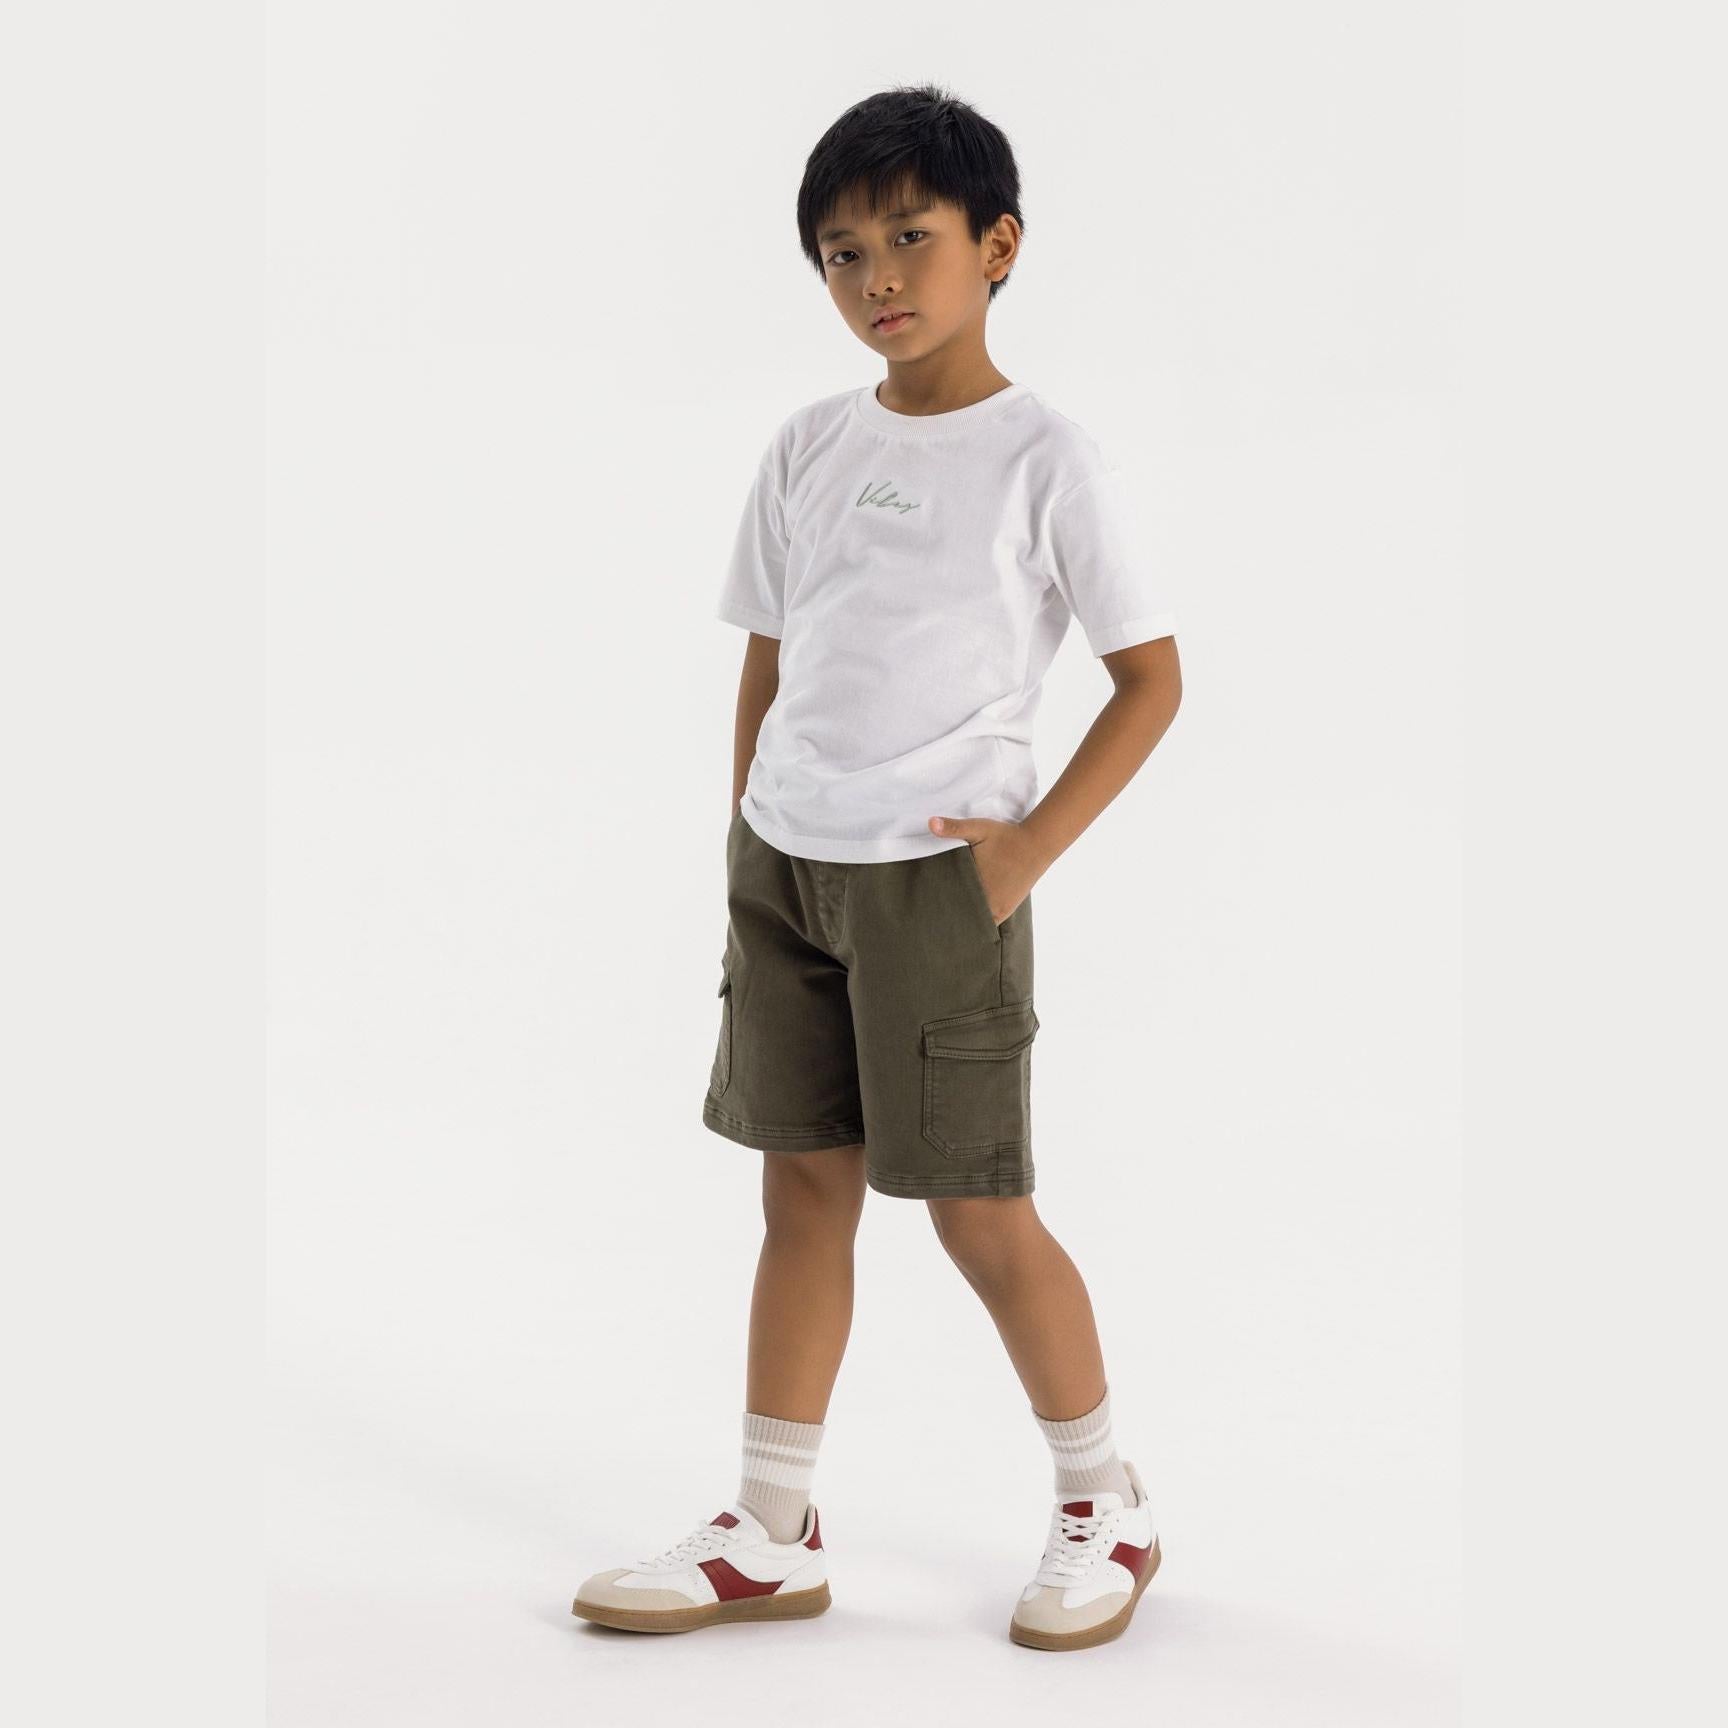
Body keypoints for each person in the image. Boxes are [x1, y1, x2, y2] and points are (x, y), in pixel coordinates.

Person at [572, 83, 1182, 1652]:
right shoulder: (807, 445)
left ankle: (1105, 1501)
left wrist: (1025, 850)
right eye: (842, 255)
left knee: (978, 1209)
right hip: (786, 868)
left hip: (937, 883)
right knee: (801, 1192)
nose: (878, 280)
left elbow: (1152, 677)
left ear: (1000, 246)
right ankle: (773, 1528)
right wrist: (744, 836)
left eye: (910, 239)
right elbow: (770, 661)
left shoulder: (1047, 455)